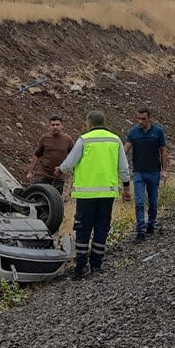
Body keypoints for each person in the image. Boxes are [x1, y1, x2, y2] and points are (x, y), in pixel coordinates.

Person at [59, 110, 132, 280]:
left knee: (83, 229)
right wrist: (127, 188)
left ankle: (80, 268)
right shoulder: (115, 140)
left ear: (89, 123)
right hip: (106, 195)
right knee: (101, 228)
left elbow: (70, 163)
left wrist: (59, 169)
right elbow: (123, 167)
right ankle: (97, 266)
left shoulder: (84, 139)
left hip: (86, 196)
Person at [125, 107, 168, 242]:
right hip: (138, 172)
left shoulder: (158, 131)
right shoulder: (133, 133)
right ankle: (140, 230)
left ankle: (151, 223)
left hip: (154, 172)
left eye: (143, 119)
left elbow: (163, 151)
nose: (141, 121)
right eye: (138, 118)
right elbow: (125, 149)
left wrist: (164, 170)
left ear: (149, 118)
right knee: (139, 202)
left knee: (153, 202)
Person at [25, 115, 74, 194]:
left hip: (58, 177)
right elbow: (36, 155)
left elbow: (73, 158)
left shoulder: (68, 140)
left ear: (62, 126)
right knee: (36, 196)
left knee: (55, 201)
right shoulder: (45, 138)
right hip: (42, 175)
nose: (55, 127)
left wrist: (71, 173)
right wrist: (30, 172)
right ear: (49, 126)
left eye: (57, 125)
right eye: (53, 125)